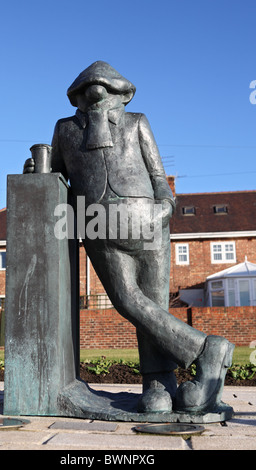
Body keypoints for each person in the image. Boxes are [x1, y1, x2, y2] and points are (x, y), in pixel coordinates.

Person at [24, 61, 234, 414]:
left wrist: (165, 206)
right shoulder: (66, 129)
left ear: (121, 90)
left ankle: (159, 385)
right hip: (97, 221)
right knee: (128, 300)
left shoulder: (137, 121)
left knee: (152, 301)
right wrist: (36, 172)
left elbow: (157, 175)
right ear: (77, 93)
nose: (99, 90)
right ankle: (205, 350)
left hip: (146, 218)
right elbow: (57, 177)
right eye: (91, 84)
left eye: (107, 84)